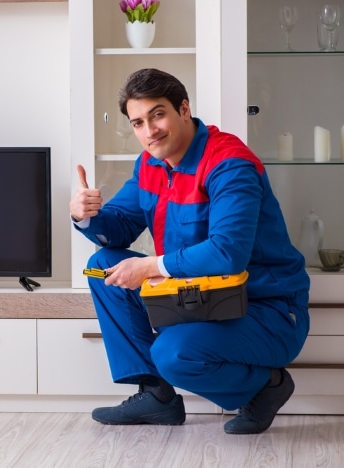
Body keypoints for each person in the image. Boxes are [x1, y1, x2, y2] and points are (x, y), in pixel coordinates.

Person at [70, 68, 309, 435]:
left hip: (266, 308)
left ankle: (268, 386)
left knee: (172, 353)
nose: (149, 131)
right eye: (138, 123)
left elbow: (227, 254)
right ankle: (157, 396)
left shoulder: (230, 164)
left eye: (157, 115)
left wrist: (150, 265)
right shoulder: (150, 163)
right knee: (103, 264)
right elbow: (118, 228)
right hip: (200, 299)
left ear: (183, 109)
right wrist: (85, 216)